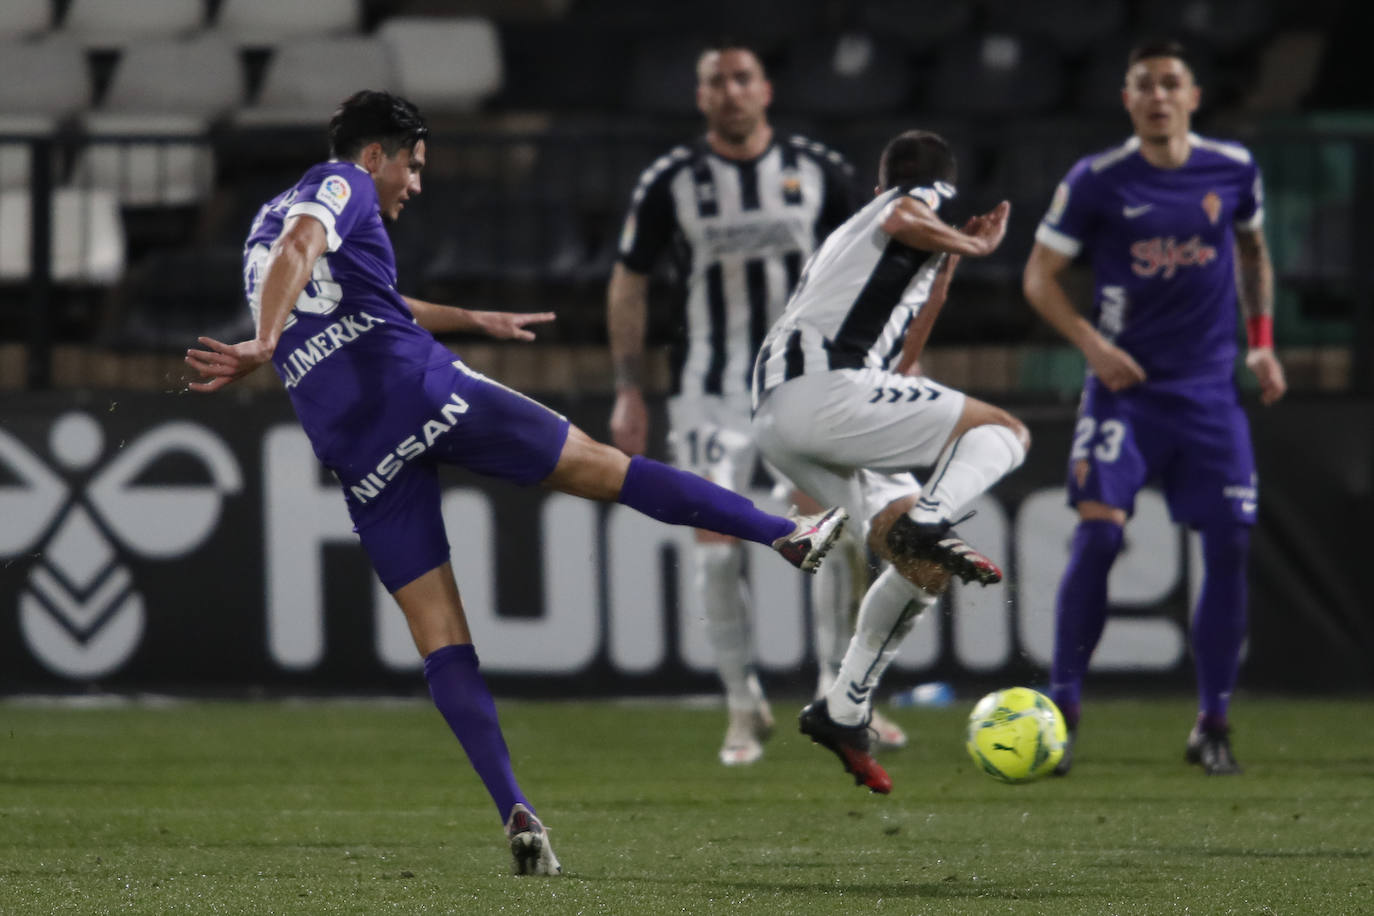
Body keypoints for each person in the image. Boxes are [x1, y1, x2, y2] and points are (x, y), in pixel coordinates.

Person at [184, 90, 848, 875]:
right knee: (610, 470)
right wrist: (261, 343)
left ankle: (515, 810)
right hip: (419, 391)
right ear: (376, 155)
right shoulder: (343, 184)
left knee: (440, 637)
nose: (415, 184)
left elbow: (351, 293)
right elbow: (306, 248)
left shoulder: (264, 224)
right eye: (414, 165)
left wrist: (472, 316)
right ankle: (786, 533)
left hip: (357, 447)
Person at [607, 40, 904, 766]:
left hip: (797, 385)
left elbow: (875, 259)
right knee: (712, 558)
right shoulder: (671, 180)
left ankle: (842, 696)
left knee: (826, 542)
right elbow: (629, 279)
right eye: (716, 82)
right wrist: (627, 386)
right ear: (702, 97)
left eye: (742, 79)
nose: (731, 92)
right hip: (707, 392)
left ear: (765, 89)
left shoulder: (817, 169)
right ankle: (743, 706)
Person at [1022, 39, 1287, 776]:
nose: (1159, 97)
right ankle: (1063, 714)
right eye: (1145, 86)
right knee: (1099, 539)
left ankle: (1212, 724)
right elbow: (1040, 277)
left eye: (1172, 84)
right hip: (1123, 394)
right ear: (1128, 100)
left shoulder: (1232, 169)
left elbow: (1255, 252)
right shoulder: (1098, 179)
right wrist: (1090, 346)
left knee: (1229, 546)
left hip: (1208, 394)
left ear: (1193, 97)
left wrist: (1261, 344)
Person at [752, 129, 1029, 793]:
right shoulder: (906, 206)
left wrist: (950, 262)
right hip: (824, 391)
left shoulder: (869, 240)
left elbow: (906, 349)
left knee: (919, 564)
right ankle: (932, 514)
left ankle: (843, 709)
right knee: (1008, 431)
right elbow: (907, 211)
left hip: (784, 417)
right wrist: (975, 243)